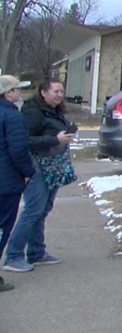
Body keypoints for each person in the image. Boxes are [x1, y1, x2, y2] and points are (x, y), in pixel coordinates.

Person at [3, 79, 75, 273]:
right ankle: (13, 256)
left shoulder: (54, 111)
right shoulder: (33, 113)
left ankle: (36, 252)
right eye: (56, 91)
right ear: (43, 92)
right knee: (33, 211)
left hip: (53, 165)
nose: (60, 95)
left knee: (43, 210)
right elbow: (25, 141)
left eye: (62, 91)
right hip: (37, 166)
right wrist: (55, 139)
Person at [0, 76, 36, 291]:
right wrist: (28, 172)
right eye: (16, 89)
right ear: (8, 93)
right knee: (3, 227)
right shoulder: (13, 116)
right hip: (6, 182)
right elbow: (19, 150)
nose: (19, 93)